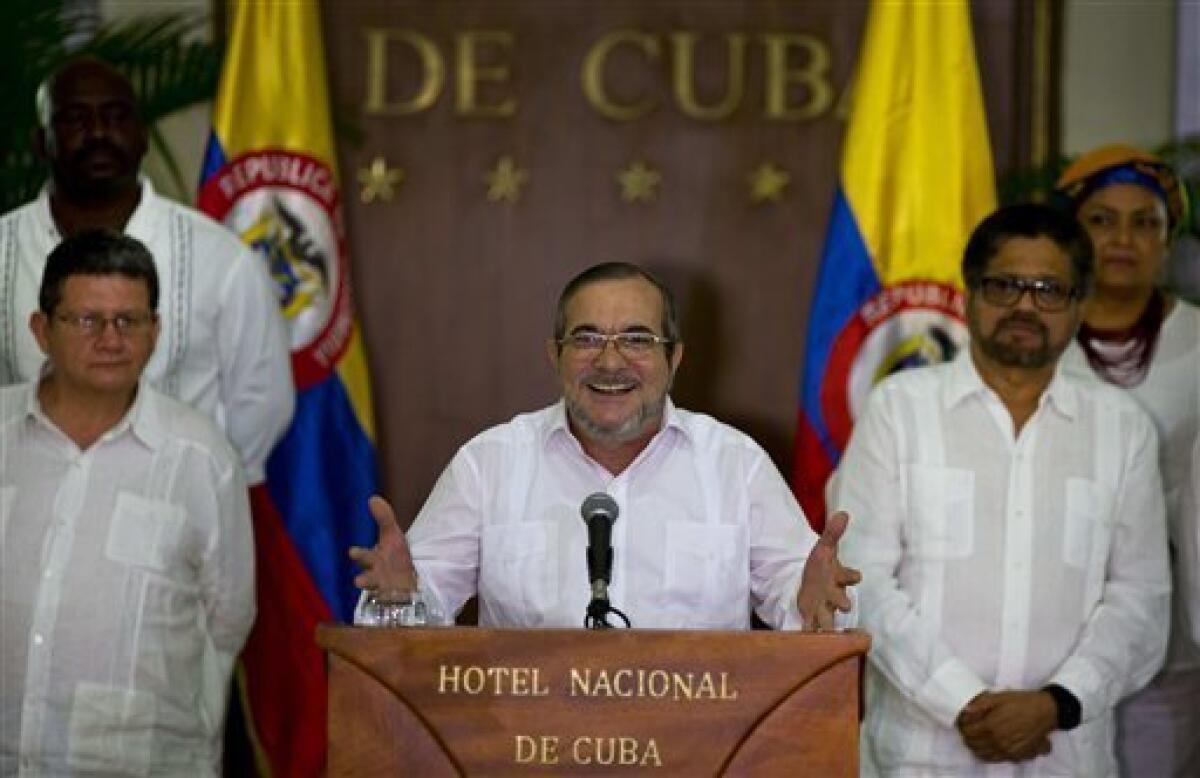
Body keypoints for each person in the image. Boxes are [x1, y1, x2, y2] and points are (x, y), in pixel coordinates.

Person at [833, 203, 1170, 776]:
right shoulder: (899, 410)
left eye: (1048, 289)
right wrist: (962, 702)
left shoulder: (1122, 428)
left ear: (1080, 305)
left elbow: (1141, 598)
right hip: (922, 758)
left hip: (1063, 756)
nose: (1025, 305)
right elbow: (860, 578)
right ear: (970, 294)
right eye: (1005, 285)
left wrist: (1056, 704)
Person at [350, 261, 859, 630]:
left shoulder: (735, 465)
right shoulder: (490, 464)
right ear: (556, 354)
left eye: (637, 340)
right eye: (587, 339)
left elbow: (803, 605)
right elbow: (415, 614)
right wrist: (401, 600)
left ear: (674, 358)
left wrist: (810, 600)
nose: (610, 362)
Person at [0, 230, 255, 774]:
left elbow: (229, 617)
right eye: (88, 320)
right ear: (41, 330)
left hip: (140, 762)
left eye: (130, 321)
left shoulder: (202, 458)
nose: (111, 339)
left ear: (155, 330)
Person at [0, 56, 292, 484]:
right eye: (76, 119)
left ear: (141, 136)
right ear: (41, 141)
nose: (98, 133)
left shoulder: (221, 257)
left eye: (116, 117)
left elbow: (262, 398)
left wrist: (191, 477)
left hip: (176, 506)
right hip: (24, 501)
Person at [1054, 144, 1200, 777]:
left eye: (1146, 222)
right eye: (1102, 219)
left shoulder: (1197, 343)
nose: (1123, 237)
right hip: (1041, 630)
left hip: (1165, 642)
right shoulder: (1033, 334)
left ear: (1168, 241)